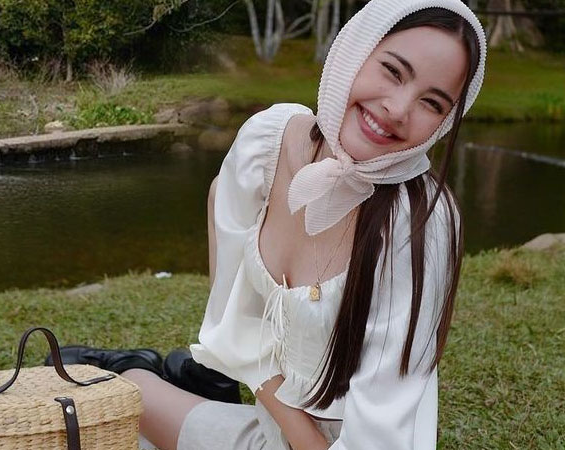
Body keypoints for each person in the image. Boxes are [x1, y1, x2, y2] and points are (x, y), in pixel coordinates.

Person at [59, 1, 485, 448]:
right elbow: (238, 321)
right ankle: (145, 368)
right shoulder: (269, 142)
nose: (398, 109)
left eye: (431, 102)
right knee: (127, 399)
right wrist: (294, 432)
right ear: (354, 51)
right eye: (393, 71)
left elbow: (380, 433)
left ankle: (192, 383)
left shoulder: (421, 223)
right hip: (280, 427)